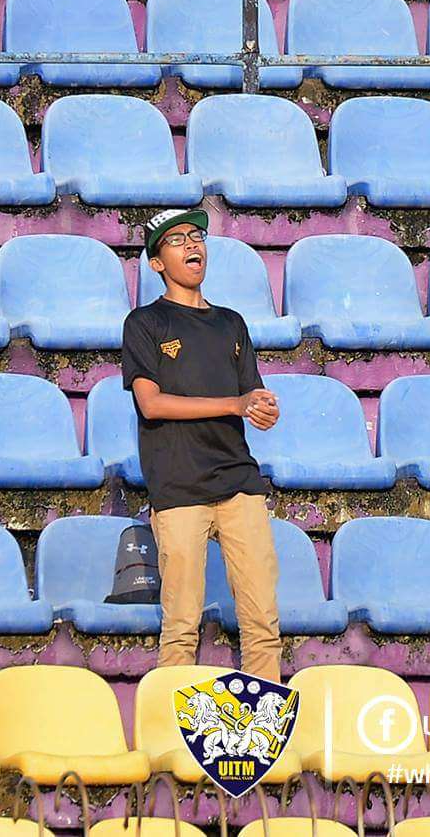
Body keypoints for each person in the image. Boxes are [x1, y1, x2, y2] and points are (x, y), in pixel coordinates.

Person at [121, 208, 283, 678]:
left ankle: (262, 738)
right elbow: (150, 404)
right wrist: (234, 404)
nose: (192, 246)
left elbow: (249, 395)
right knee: (181, 627)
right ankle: (171, 739)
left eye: (197, 236)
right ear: (156, 263)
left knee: (262, 623)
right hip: (179, 487)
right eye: (176, 241)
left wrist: (260, 408)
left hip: (238, 482)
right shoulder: (144, 323)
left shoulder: (231, 323)